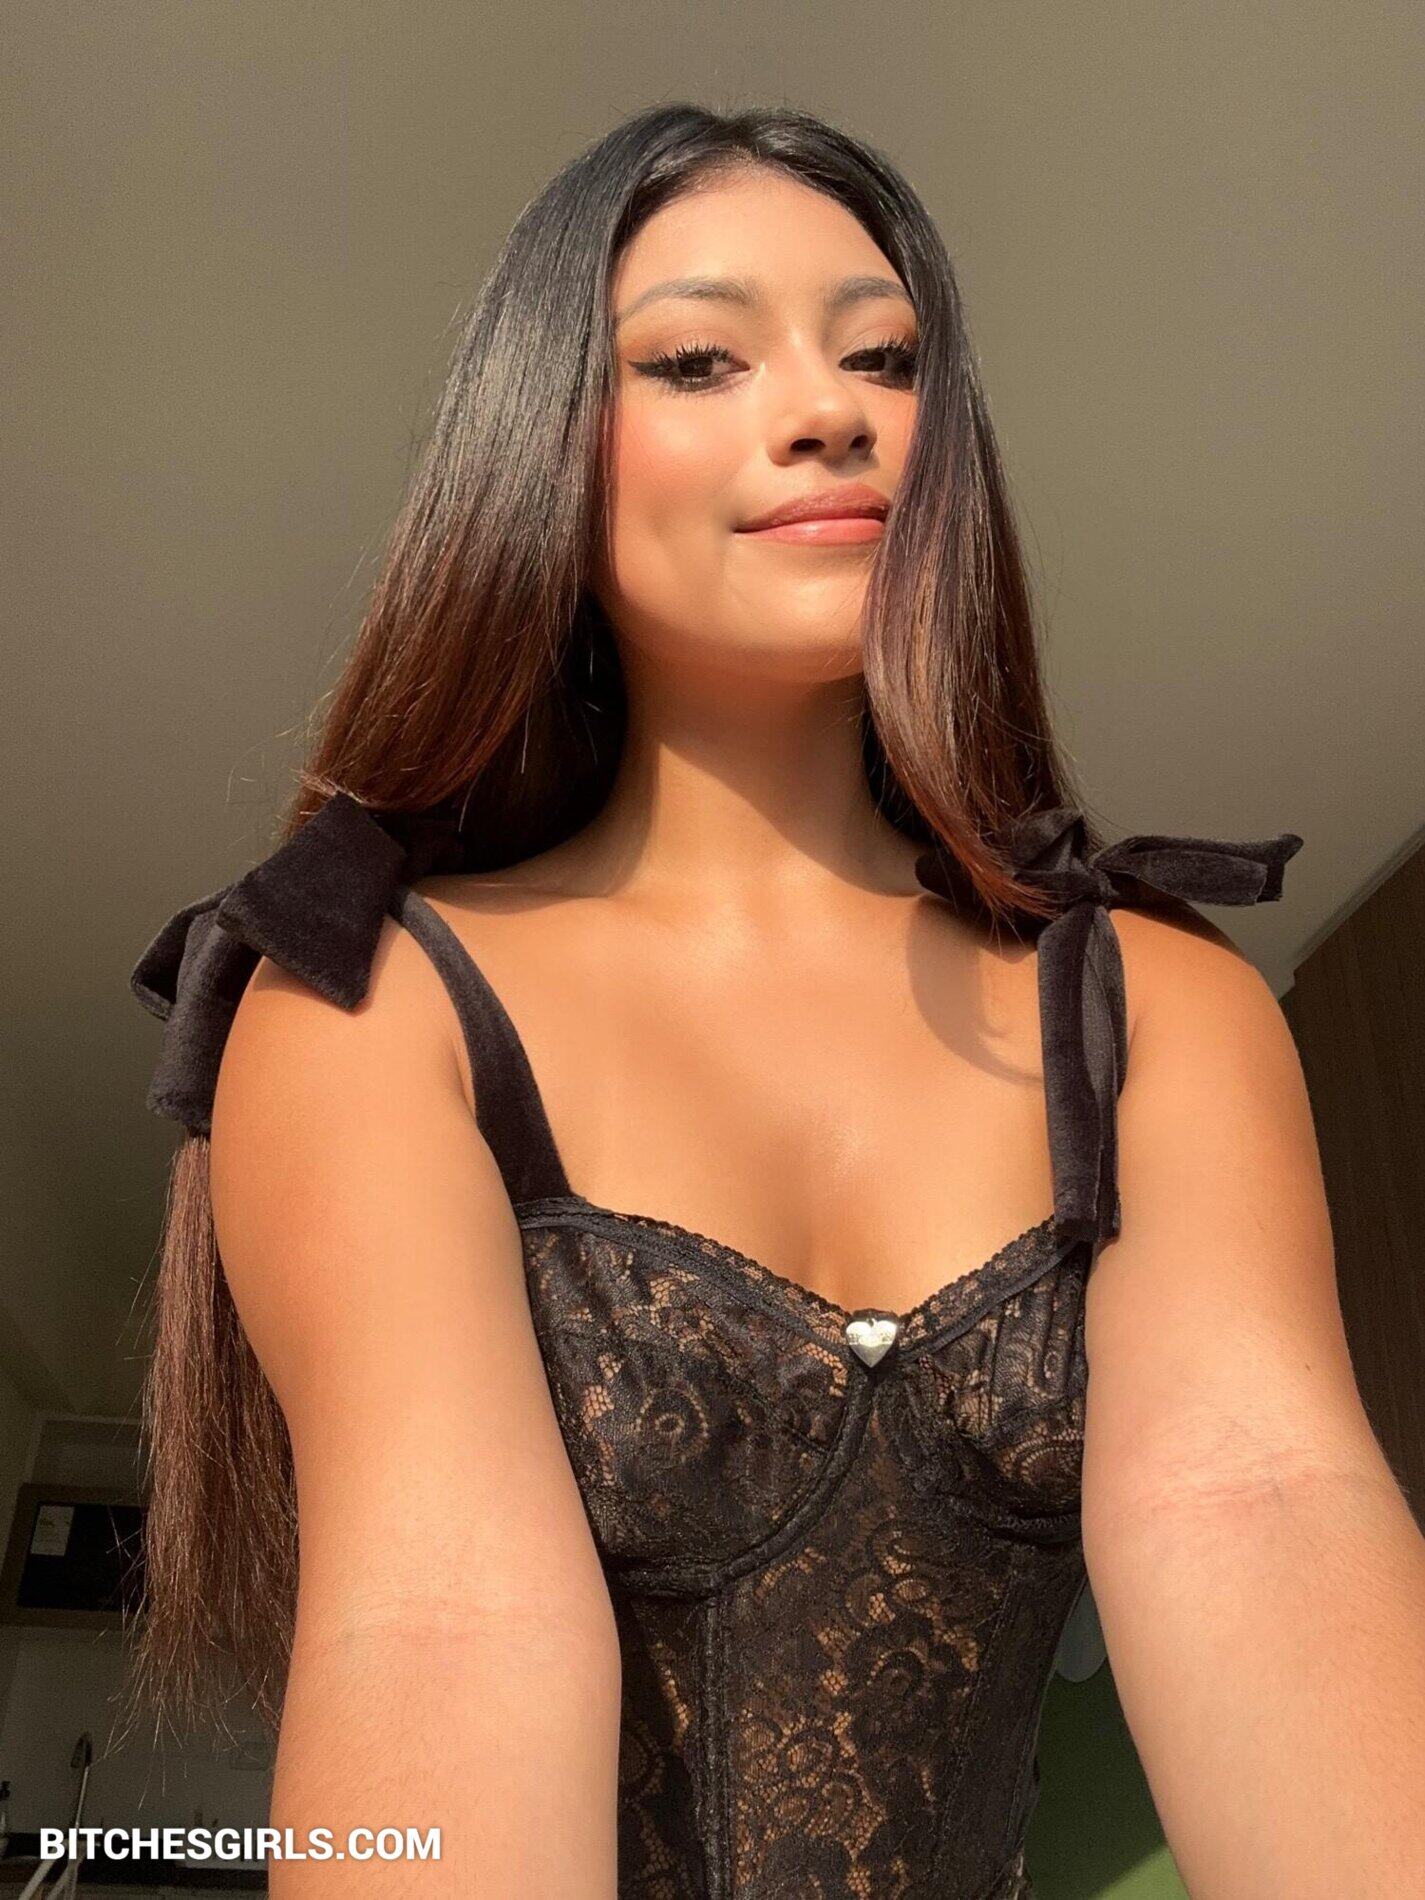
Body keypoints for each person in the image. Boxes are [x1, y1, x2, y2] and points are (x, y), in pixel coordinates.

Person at [127, 103, 1425, 1898]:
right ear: (538, 447)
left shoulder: (1155, 1001)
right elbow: (436, 1631)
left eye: (885, 357)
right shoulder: (374, 1004)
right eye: (698, 359)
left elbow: (1263, 1517)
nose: (829, 409)